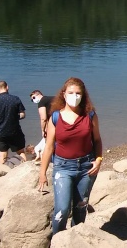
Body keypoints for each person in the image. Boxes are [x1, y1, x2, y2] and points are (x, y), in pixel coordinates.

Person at [37, 77, 103, 235]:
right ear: (64, 94)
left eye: (78, 93)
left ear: (83, 95)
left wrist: (99, 159)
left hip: (87, 167)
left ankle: (75, 239)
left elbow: (97, 140)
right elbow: (49, 147)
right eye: (71, 92)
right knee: (62, 210)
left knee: (81, 208)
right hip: (63, 168)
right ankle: (57, 240)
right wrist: (42, 174)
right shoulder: (55, 117)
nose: (75, 96)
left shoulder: (90, 116)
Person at [0, 80, 27, 165]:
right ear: (7, 87)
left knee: (3, 156)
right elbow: (23, 115)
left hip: (1, 132)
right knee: (21, 152)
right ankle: (25, 168)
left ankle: (2, 174)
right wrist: (14, 117)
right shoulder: (15, 99)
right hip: (15, 131)